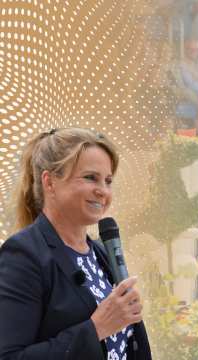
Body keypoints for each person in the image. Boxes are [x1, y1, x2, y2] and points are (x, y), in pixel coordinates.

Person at [0, 128, 152, 359]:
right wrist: (96, 329)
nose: (103, 191)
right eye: (91, 177)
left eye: (108, 181)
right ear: (50, 182)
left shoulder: (100, 252)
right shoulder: (23, 255)